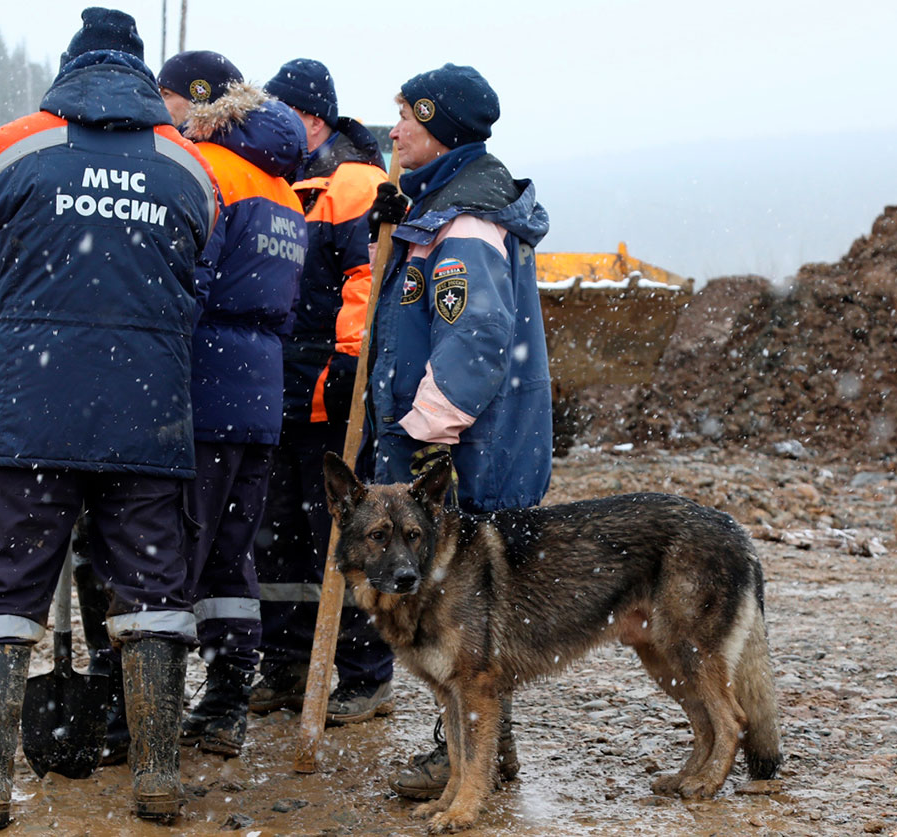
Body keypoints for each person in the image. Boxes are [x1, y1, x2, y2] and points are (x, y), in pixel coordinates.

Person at [0, 8, 219, 830]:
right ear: (140, 71)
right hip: (149, 412)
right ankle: (158, 774)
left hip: (32, 410)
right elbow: (203, 254)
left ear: (70, 65)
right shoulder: (187, 165)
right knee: (154, 589)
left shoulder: (15, 145)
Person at [363, 63, 552, 802]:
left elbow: (473, 341)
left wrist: (420, 436)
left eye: (407, 115)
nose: (395, 128)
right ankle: (486, 746)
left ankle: (465, 752)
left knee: (463, 615)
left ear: (440, 126)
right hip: (456, 445)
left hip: (464, 452)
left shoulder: (467, 222)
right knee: (472, 615)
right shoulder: (438, 209)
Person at [152, 50, 307, 757]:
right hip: (258, 391)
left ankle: (147, 710)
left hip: (203, 387)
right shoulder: (284, 189)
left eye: (166, 98)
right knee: (231, 555)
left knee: (176, 550)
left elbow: (191, 282)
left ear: (196, 102)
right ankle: (226, 700)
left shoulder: (208, 170)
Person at [250, 58, 395, 725]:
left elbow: (366, 281)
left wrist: (344, 363)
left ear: (310, 116)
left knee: (345, 537)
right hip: (274, 396)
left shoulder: (356, 183)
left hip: (328, 400)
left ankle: (365, 674)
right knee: (275, 537)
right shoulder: (280, 183)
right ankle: (283, 660)